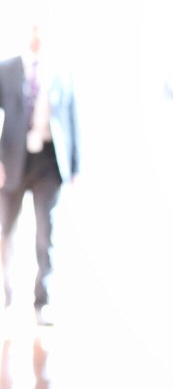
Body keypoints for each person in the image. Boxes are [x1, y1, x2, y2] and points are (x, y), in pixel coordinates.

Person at [0, 20, 80, 326]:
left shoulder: (61, 73)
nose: (37, 37)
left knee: (47, 234)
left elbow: (73, 118)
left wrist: (75, 166)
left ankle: (42, 302)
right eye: (33, 31)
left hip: (49, 163)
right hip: (12, 161)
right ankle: (6, 298)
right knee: (6, 230)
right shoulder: (7, 69)